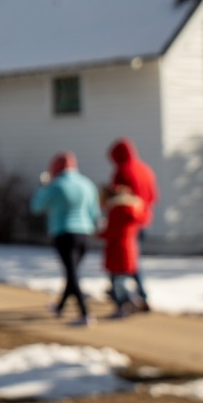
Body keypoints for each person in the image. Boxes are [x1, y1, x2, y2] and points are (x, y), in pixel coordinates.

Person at [31, 152, 102, 326]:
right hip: (85, 234)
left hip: (64, 233)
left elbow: (37, 207)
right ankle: (60, 307)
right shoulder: (87, 184)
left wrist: (43, 187)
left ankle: (85, 313)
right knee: (72, 274)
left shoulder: (56, 185)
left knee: (72, 274)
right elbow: (95, 213)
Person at [108, 137, 157, 312]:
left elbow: (118, 200)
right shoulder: (145, 170)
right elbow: (153, 196)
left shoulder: (122, 171)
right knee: (132, 260)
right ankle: (141, 296)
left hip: (126, 223)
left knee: (120, 261)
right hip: (142, 220)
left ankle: (122, 298)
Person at [100, 184, 145, 318]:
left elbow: (111, 231)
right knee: (124, 277)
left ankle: (124, 304)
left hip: (117, 248)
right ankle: (136, 299)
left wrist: (98, 233)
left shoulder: (116, 211)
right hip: (130, 247)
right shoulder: (135, 209)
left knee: (117, 280)